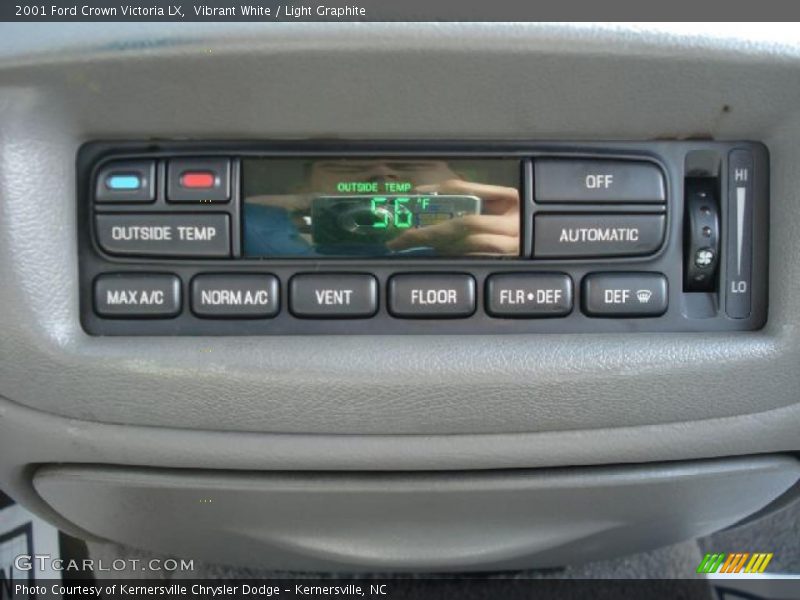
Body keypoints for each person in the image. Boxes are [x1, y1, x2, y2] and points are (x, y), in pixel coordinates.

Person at [244, 159, 519, 257]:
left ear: (464, 184)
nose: (381, 173)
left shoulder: (502, 231)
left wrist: (533, 243)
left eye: (413, 162)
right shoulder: (251, 229)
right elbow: (202, 203)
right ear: (300, 189)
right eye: (346, 164)